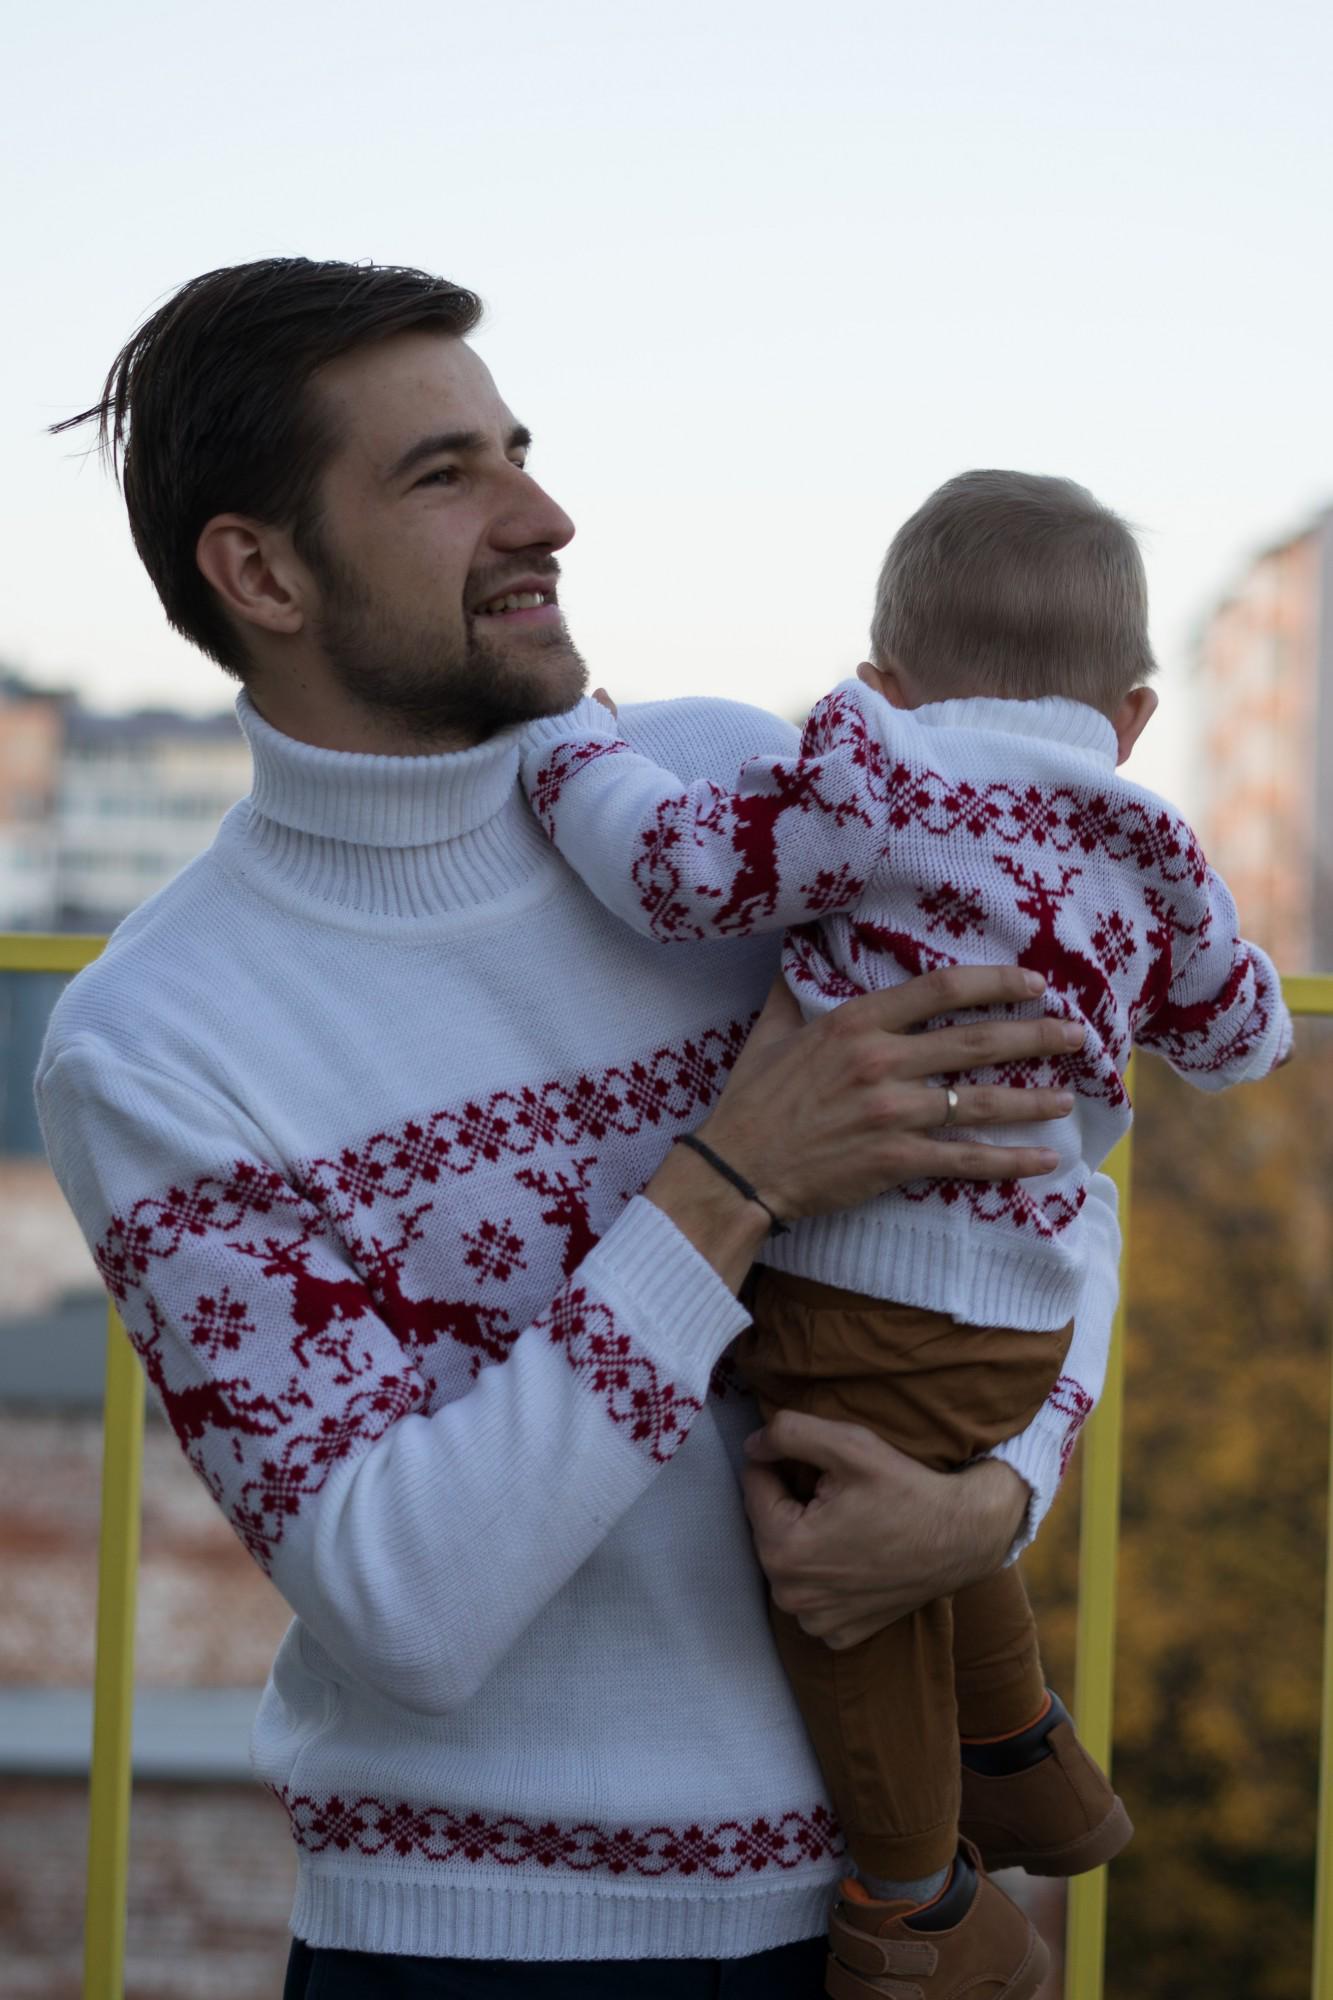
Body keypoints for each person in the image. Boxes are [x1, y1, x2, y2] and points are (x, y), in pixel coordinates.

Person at [36, 262, 1119, 2000]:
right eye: (440, 476)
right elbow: (405, 1605)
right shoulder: (158, 1042)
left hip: (879, 1921)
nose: (542, 515)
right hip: (481, 1959)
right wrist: (733, 1185)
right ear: (260, 572)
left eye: (513, 449)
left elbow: (1053, 1198)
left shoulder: (730, 800)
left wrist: (994, 1498)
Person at [514, 468, 1294, 1995]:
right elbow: (1241, 1036)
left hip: (845, 1297)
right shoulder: (1154, 851)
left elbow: (673, 871)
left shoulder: (877, 785)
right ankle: (1025, 1763)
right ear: (1131, 716)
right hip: (1024, 1323)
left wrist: (570, 750)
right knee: (935, 1495)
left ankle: (908, 1902)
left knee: (839, 1595)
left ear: (883, 684)